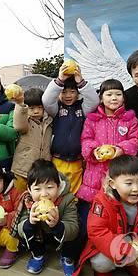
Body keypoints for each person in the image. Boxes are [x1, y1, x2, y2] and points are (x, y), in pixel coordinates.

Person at [74, 155, 138, 276]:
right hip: (113, 244)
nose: (136, 189)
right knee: (100, 262)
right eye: (128, 183)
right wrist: (124, 249)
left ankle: (134, 266)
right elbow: (97, 232)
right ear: (112, 184)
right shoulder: (103, 202)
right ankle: (103, 273)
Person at [78, 79, 138, 234]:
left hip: (120, 173)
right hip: (95, 175)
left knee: (118, 215)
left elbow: (135, 141)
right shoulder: (92, 119)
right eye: (109, 94)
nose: (114, 98)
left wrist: (120, 149)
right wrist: (93, 151)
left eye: (118, 94)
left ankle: (116, 245)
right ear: (101, 98)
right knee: (91, 217)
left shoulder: (129, 119)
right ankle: (90, 246)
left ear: (123, 97)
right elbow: (86, 140)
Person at [15, 159, 80, 276]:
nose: (44, 194)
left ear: (58, 186)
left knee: (76, 233)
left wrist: (57, 224)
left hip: (60, 236)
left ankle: (67, 258)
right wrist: (30, 222)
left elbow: (73, 228)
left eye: (49, 187)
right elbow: (19, 229)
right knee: (27, 229)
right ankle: (38, 255)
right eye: (37, 189)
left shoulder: (68, 200)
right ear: (29, 189)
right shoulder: (28, 201)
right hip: (42, 236)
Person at [42, 63, 99, 194]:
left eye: (72, 91)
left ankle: (72, 213)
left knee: (74, 194)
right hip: (57, 160)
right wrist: (60, 79)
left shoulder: (82, 108)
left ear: (78, 93)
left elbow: (94, 101)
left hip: (77, 161)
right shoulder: (56, 108)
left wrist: (80, 81)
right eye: (64, 91)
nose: (68, 95)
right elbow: (46, 100)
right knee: (57, 191)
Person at [11, 87, 53, 191]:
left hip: (42, 169)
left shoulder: (49, 121)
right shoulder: (25, 121)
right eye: (31, 108)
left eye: (39, 107)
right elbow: (18, 125)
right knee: (20, 195)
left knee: (38, 195)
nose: (36, 111)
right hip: (23, 168)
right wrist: (20, 105)